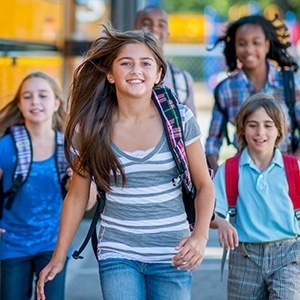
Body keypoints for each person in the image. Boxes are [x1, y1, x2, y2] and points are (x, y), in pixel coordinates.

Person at [36, 25, 215, 300]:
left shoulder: (179, 119)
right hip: (118, 252)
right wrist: (59, 257)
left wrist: (200, 237)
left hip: (173, 253)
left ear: (158, 74)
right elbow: (77, 195)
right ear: (110, 74)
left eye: (146, 63)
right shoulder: (90, 128)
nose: (136, 70)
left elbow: (204, 184)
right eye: (126, 63)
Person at [211, 93, 300, 299]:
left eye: (268, 125)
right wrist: (221, 223)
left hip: (288, 253)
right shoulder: (230, 169)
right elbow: (210, 212)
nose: (260, 132)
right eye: (253, 125)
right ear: (242, 129)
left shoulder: (293, 168)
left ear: (280, 130)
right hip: (245, 256)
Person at [0, 72, 70, 300]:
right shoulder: (6, 145)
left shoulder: (69, 147)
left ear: (56, 102)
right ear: (19, 104)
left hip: (54, 243)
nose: (35, 102)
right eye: (28, 97)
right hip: (12, 243)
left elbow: (86, 200)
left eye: (43, 95)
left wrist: (76, 179)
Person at [205, 14, 300, 174]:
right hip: (245, 178)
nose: (249, 49)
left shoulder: (288, 83)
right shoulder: (226, 89)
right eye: (242, 43)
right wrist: (218, 176)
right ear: (234, 47)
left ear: (267, 45)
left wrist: (291, 168)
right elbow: (212, 143)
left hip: (285, 177)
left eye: (256, 43)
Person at [134, 5, 197, 115]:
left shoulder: (182, 80)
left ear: (168, 34)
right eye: (147, 23)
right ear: (134, 29)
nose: (154, 28)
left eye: (161, 25)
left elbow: (190, 127)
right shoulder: (122, 74)